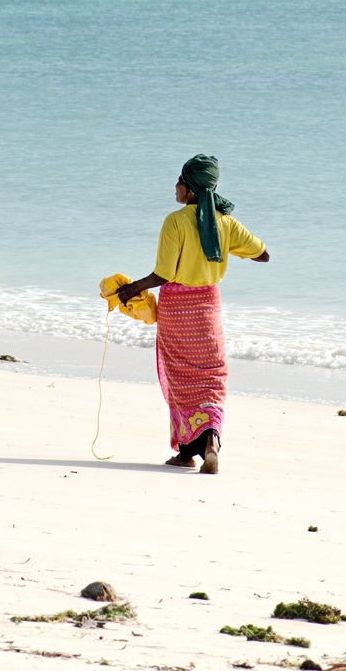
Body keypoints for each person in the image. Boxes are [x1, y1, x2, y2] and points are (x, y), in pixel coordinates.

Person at [117, 154, 269, 474]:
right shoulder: (225, 222)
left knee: (181, 379)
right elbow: (263, 255)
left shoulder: (175, 221)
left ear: (189, 189)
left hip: (177, 309)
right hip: (208, 308)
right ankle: (211, 440)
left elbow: (163, 273)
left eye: (179, 181)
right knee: (211, 376)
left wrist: (133, 288)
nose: (175, 186)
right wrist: (222, 241)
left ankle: (186, 453)